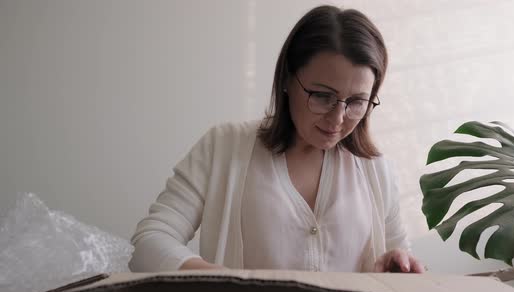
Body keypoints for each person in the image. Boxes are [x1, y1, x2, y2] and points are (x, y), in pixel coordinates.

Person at [129, 5, 424, 274]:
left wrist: (397, 265)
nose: (337, 119)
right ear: (286, 79)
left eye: (357, 101)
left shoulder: (377, 170)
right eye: (322, 96)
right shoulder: (223, 147)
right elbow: (150, 242)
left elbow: (402, 264)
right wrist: (217, 280)